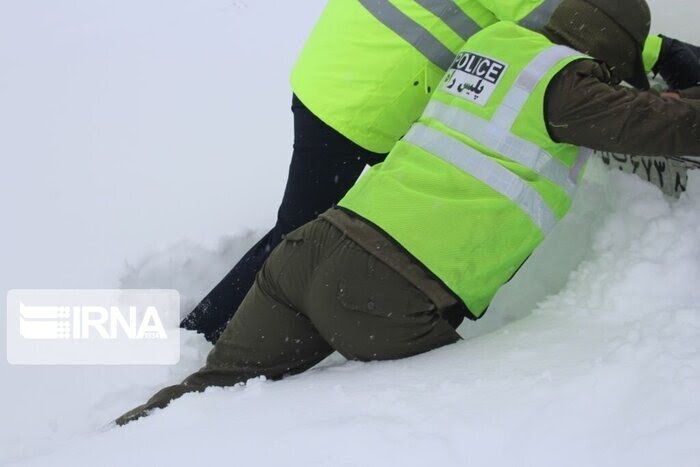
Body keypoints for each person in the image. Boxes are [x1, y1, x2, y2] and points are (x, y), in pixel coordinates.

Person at [117, 0, 700, 425]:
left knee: (202, 394)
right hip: (380, 293)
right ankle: (185, 332)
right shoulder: (566, 89)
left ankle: (105, 438)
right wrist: (664, 57)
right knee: (452, 419)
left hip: (312, 243)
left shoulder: (490, 46)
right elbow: (663, 126)